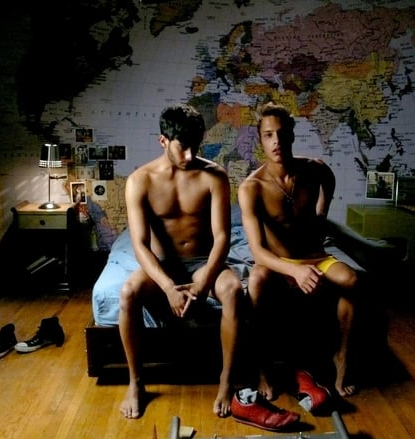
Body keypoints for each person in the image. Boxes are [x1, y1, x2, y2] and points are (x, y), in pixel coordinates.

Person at [118, 104, 243, 419]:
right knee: (128, 293)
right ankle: (136, 382)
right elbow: (139, 244)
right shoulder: (140, 180)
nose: (189, 155)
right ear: (163, 140)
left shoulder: (215, 175)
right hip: (164, 266)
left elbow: (222, 237)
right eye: (181, 146)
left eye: (195, 146)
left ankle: (226, 380)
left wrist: (204, 282)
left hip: (204, 263)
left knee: (234, 291)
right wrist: (168, 287)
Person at [237, 102, 359, 402]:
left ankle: (341, 356)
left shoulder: (313, 169)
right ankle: (263, 367)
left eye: (281, 133)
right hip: (278, 261)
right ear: (261, 140)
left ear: (291, 135)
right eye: (268, 135)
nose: (276, 141)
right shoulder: (251, 188)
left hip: (315, 255)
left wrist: (322, 212)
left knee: (352, 280)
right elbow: (257, 251)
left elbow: (328, 178)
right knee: (256, 283)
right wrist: (294, 270)